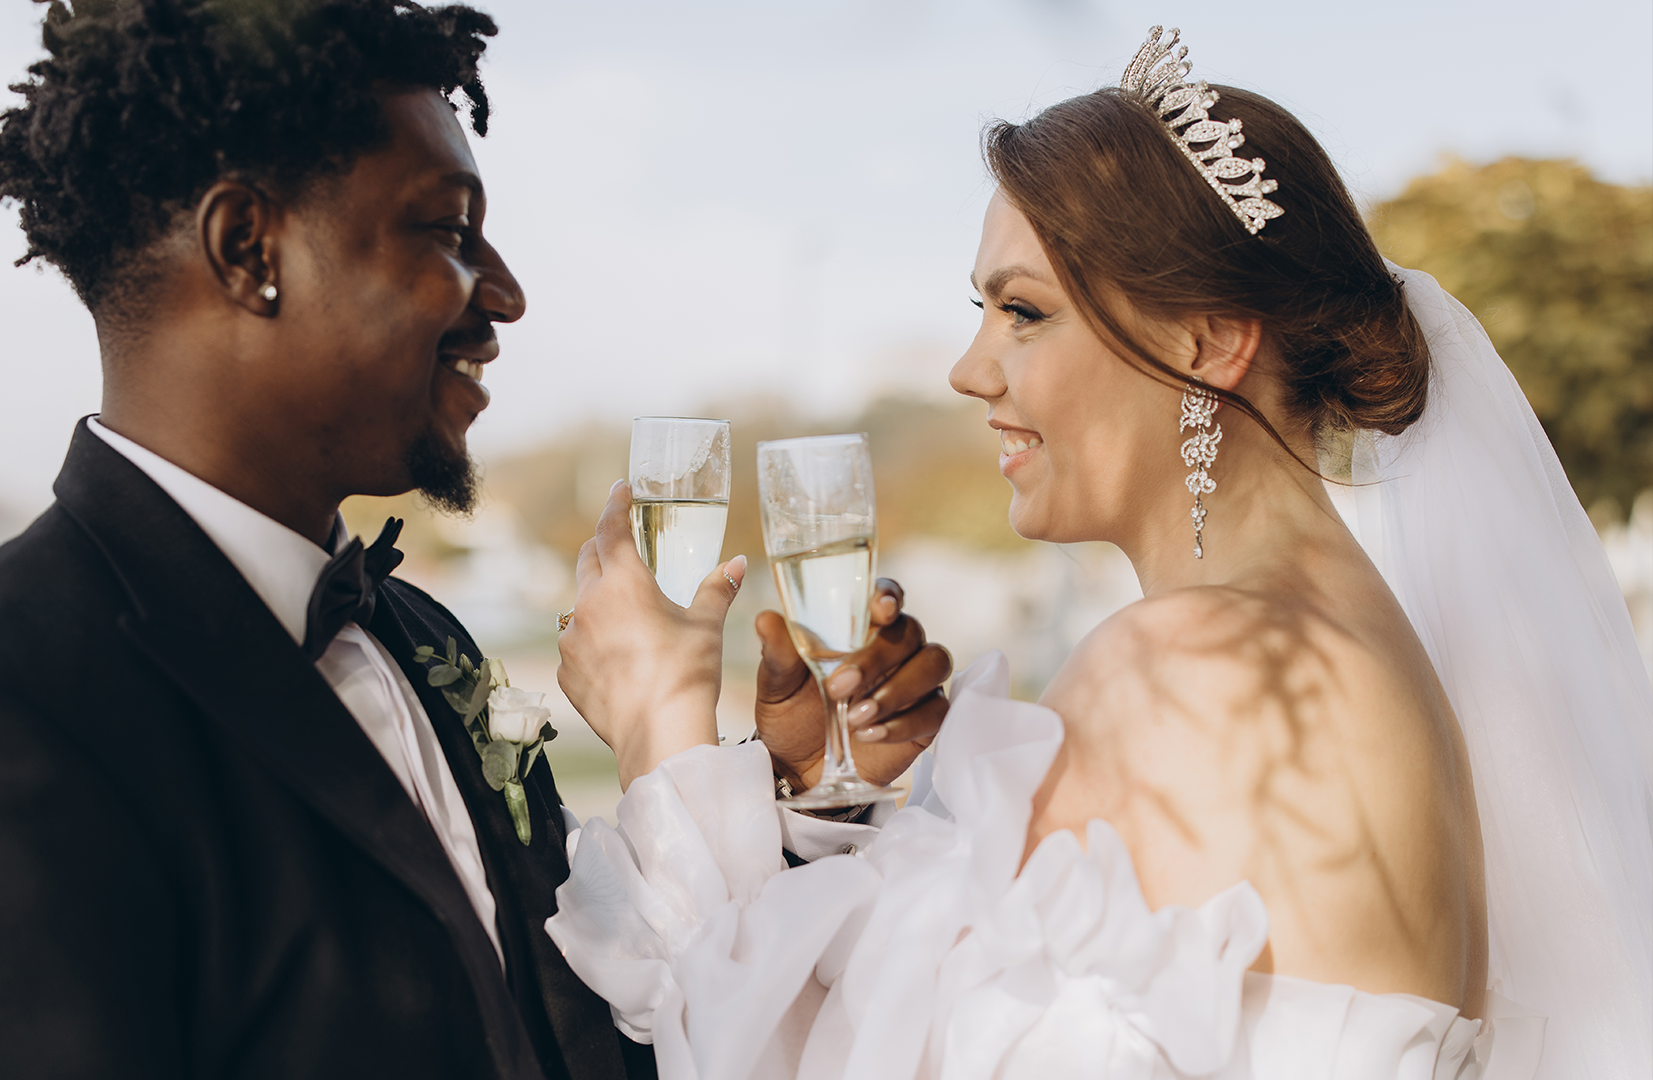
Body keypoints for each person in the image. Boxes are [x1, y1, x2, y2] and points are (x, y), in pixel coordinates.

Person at [0, 3, 954, 1078]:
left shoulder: (423, 640)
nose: (504, 296)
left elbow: (591, 1035)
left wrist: (788, 800)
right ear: (248, 249)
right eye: (447, 230)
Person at [545, 26, 1653, 1079]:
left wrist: (659, 718)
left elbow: (823, 1058)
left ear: (1208, 341)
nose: (969, 370)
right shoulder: (1343, 636)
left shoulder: (1194, 662)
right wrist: (822, 796)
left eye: (1023, 313)